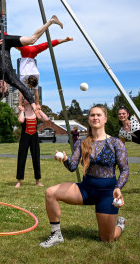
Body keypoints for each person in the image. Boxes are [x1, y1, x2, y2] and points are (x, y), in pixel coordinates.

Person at [40, 105, 129, 246]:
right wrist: (64, 159)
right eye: (92, 115)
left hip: (107, 193)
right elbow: (72, 167)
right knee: (50, 192)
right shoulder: (82, 142)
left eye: (99, 115)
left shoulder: (115, 143)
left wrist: (118, 188)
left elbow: (124, 170)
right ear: (89, 119)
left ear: (105, 119)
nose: (95, 118)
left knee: (107, 238)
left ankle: (120, 225)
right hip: (85, 190)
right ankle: (56, 234)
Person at [0, 22, 72, 108]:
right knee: (11, 37)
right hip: (27, 52)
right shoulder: (23, 77)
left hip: (31, 53)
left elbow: (30, 94)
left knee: (48, 44)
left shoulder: (34, 76)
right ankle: (52, 26)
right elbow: (25, 92)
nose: (29, 88)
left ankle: (62, 37)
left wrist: (32, 104)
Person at [15, 100, 50, 188]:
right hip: (24, 137)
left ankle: (37, 181)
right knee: (21, 158)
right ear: (23, 102)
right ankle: (19, 181)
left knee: (36, 158)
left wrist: (39, 109)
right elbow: (21, 120)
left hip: (34, 137)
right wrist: (22, 111)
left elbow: (46, 119)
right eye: (25, 98)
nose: (27, 99)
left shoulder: (36, 112)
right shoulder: (22, 111)